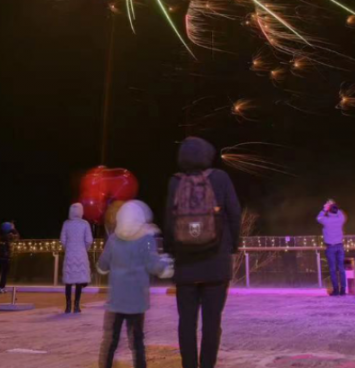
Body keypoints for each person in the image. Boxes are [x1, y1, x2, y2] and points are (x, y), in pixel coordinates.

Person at [165, 136, 241, 368]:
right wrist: (232, 246)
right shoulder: (221, 178)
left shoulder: (175, 182)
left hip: (186, 266)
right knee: (211, 322)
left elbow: (169, 222)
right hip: (216, 264)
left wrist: (173, 252)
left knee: (186, 323)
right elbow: (235, 213)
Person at [97, 201, 175, 368]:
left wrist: (103, 267)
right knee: (137, 342)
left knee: (110, 341)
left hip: (116, 301)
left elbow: (102, 264)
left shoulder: (113, 239)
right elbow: (153, 264)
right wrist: (165, 267)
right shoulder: (146, 239)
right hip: (137, 301)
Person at [61, 202, 94, 314]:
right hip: (81, 253)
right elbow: (89, 240)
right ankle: (76, 306)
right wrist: (84, 248)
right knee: (79, 281)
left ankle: (68, 306)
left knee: (69, 282)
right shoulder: (85, 224)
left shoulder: (66, 223)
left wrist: (68, 248)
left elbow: (63, 240)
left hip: (70, 253)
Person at [317, 200, 347, 296]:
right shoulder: (340, 219)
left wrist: (325, 208)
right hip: (340, 246)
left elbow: (318, 218)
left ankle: (336, 290)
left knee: (332, 269)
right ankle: (343, 289)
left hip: (330, 247)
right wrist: (334, 205)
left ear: (329, 211)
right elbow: (341, 214)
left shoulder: (326, 220)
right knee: (341, 269)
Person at [0, 221, 19, 294]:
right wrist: (13, 229)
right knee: (4, 273)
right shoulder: (9, 236)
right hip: (6, 257)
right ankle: (1, 288)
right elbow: (17, 236)